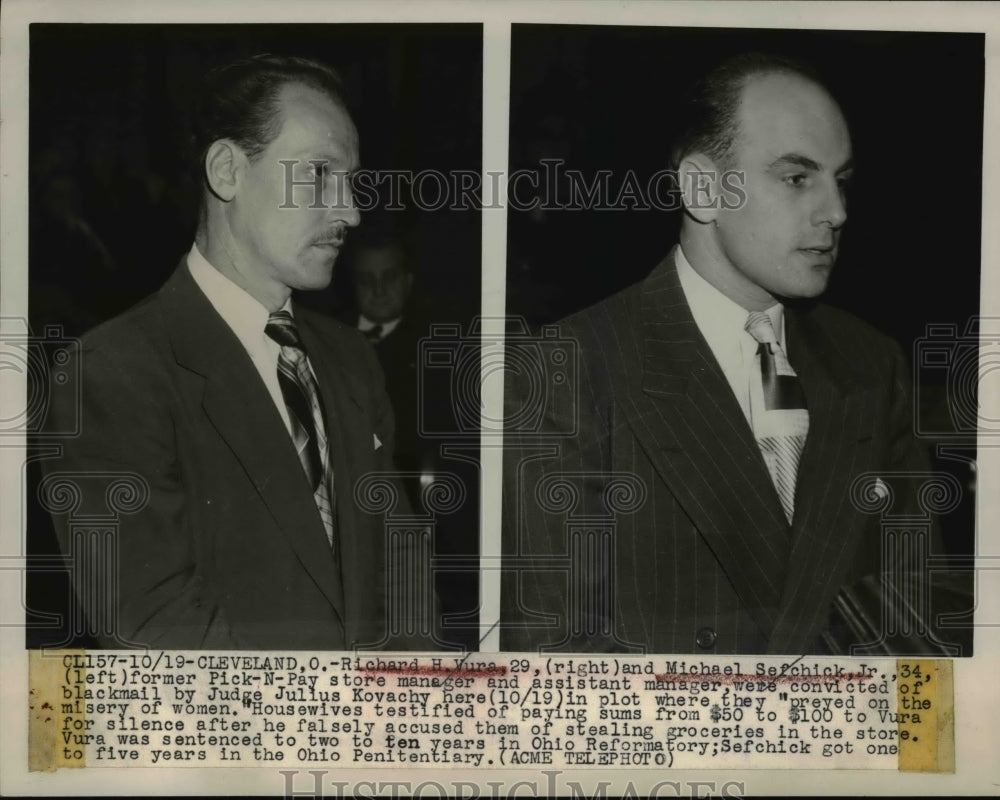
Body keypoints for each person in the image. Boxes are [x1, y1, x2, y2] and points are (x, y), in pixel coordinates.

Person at [502, 52, 948, 655]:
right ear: (702, 188)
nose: (836, 212)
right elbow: (556, 659)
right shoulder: (565, 372)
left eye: (840, 181)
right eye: (797, 178)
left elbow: (917, 617)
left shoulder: (872, 363)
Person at [42, 55, 436, 650]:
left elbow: (403, 570)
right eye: (319, 175)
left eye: (352, 182)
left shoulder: (350, 358)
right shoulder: (111, 374)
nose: (350, 212)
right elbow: (155, 627)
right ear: (227, 171)